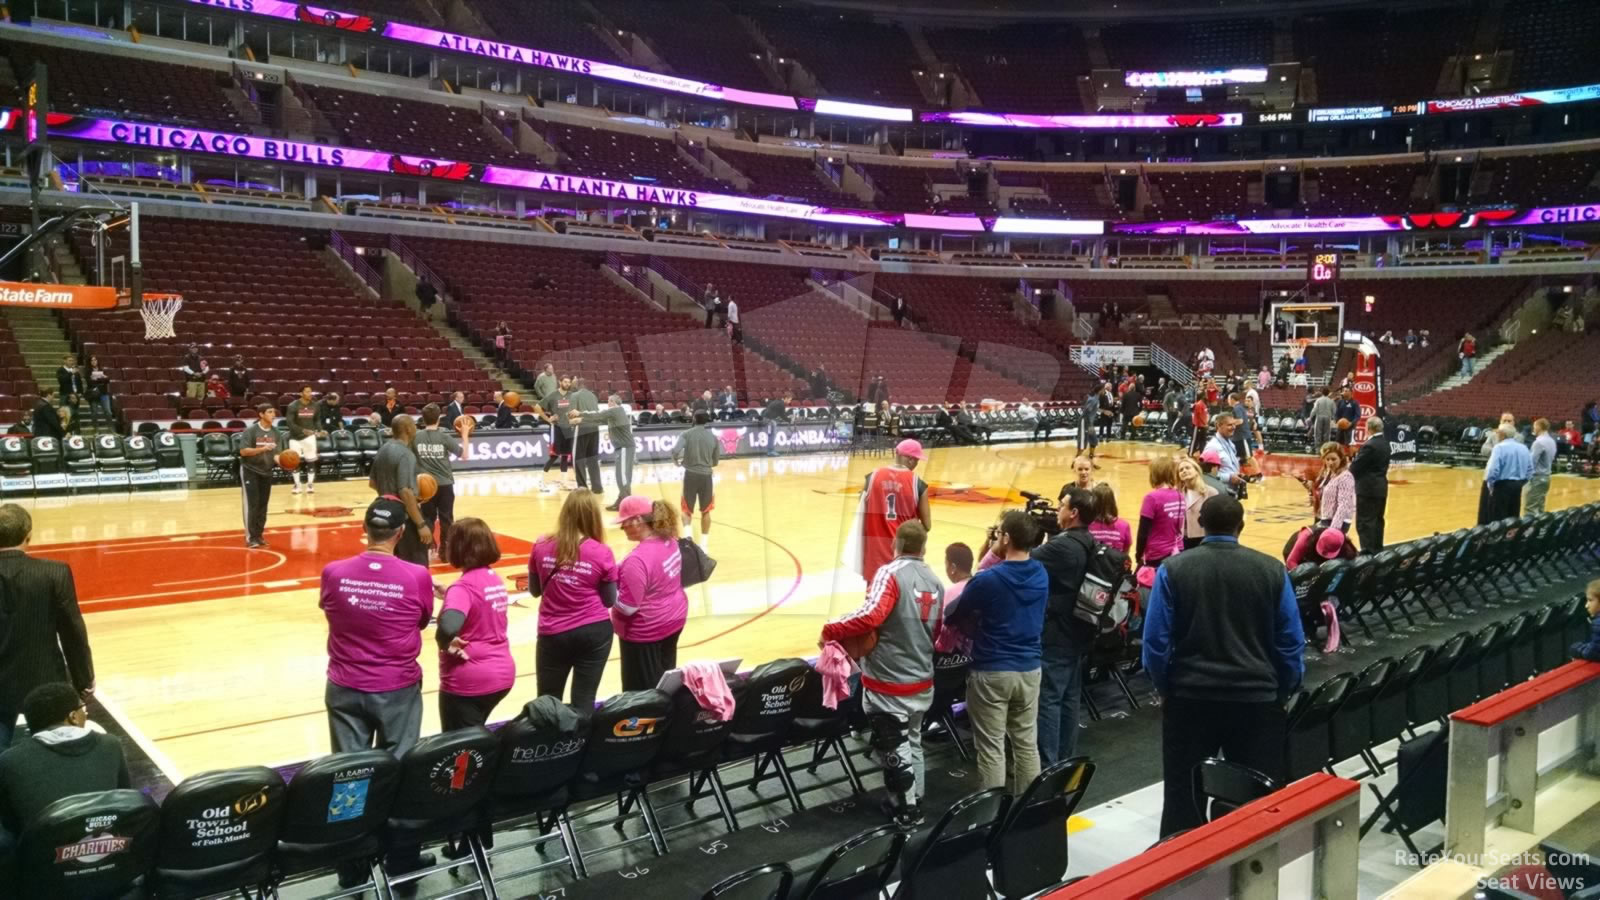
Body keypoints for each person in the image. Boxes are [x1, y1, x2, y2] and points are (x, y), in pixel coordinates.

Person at [1143, 495, 1305, 836]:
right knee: (1256, 799)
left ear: (1200, 524)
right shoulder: (1272, 570)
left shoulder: (1174, 569)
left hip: (1190, 700)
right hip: (1257, 702)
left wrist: (1164, 688)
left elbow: (1155, 643)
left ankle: (1179, 876)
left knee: (1181, 798)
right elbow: (1290, 642)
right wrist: (1283, 691)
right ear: (1241, 526)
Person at [821, 520, 943, 826]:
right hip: (922, 678)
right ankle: (917, 795)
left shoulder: (890, 574)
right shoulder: (936, 581)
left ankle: (907, 811)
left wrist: (832, 629)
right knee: (912, 740)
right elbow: (938, 632)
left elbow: (871, 615)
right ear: (924, 547)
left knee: (894, 746)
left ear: (896, 545)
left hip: (890, 682)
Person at [321, 497, 434, 757]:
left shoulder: (333, 572)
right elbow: (422, 622)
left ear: (364, 527)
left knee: (349, 773)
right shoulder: (417, 576)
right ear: (401, 532)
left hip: (344, 683)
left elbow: (330, 609)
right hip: (396, 685)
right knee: (398, 767)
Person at [945, 511, 1046, 794]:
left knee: (991, 748)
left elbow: (954, 614)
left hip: (992, 670)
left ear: (1006, 538)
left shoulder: (989, 580)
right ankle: (1028, 811)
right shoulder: (1041, 573)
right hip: (1029, 669)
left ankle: (991, 816)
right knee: (1026, 743)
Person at [0, 505, 93, 753]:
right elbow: (73, 632)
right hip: (44, 680)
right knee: (53, 753)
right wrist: (84, 679)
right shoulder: (54, 572)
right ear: (28, 535)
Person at [0, 683, 129, 845]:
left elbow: (10, 824)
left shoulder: (9, 760)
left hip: (43, 863)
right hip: (109, 856)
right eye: (83, 707)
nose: (86, 712)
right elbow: (126, 801)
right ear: (73, 717)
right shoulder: (111, 745)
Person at [529, 489, 618, 709]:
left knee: (548, 700)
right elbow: (609, 601)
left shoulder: (541, 546)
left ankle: (550, 743)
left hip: (553, 633)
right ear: (593, 516)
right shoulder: (602, 552)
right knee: (584, 699)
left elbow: (534, 590)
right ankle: (580, 743)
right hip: (593, 631)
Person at [1030, 487, 1096, 766]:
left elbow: (1024, 559)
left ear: (1074, 513)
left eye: (1062, 506)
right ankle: (1065, 759)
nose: (1058, 510)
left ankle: (1048, 765)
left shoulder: (1062, 546)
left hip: (1058, 633)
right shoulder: (1090, 541)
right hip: (1082, 628)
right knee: (1070, 698)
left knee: (1049, 699)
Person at [436, 517, 512, 730]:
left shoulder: (462, 588)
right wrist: (450, 595)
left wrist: (444, 643)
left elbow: (449, 626)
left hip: (470, 680)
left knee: (460, 750)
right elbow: (478, 606)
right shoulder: (494, 578)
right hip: (501, 672)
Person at [612, 497, 688, 691]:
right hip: (674, 619)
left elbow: (629, 607)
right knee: (665, 682)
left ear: (638, 520)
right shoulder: (669, 540)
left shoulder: (637, 560)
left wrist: (607, 596)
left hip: (646, 632)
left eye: (624, 523)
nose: (623, 528)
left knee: (639, 693)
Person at [853, 439, 933, 584]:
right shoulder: (918, 484)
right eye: (917, 460)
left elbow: (861, 509)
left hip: (875, 552)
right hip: (903, 554)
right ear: (910, 459)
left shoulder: (872, 477)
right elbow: (927, 525)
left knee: (875, 599)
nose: (917, 464)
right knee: (901, 599)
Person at [369, 414, 432, 567]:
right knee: (416, 565)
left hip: (386, 514)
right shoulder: (406, 454)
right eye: (414, 425)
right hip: (405, 517)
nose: (416, 428)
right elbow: (405, 491)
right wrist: (421, 524)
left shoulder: (383, 449)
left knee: (394, 564)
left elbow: (372, 483)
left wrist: (388, 495)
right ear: (408, 429)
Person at [416, 404, 467, 557]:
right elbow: (464, 455)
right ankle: (445, 553)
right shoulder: (444, 436)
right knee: (446, 519)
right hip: (445, 484)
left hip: (425, 486)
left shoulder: (415, 437)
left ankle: (427, 549)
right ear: (439, 418)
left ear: (423, 419)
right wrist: (464, 434)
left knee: (427, 518)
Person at [570, 393, 635, 510]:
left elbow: (597, 415)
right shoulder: (613, 415)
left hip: (625, 447)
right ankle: (622, 500)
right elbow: (598, 421)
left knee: (623, 477)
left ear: (613, 402)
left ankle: (627, 503)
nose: (607, 403)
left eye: (609, 401)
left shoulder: (616, 411)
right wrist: (580, 421)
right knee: (620, 476)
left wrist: (580, 414)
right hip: (622, 448)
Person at [238, 403, 285, 549]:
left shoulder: (276, 433)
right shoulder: (251, 431)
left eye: (274, 412)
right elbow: (243, 451)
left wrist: (285, 463)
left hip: (267, 471)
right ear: (261, 414)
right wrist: (262, 449)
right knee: (252, 505)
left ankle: (259, 535)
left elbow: (277, 454)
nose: (273, 415)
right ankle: (250, 537)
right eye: (270, 412)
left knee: (263, 506)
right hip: (250, 470)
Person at [673, 410, 722, 539]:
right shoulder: (713, 437)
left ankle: (689, 539)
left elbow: (675, 450)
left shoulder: (686, 434)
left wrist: (676, 461)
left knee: (686, 510)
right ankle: (704, 546)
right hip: (706, 477)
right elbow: (715, 461)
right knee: (706, 511)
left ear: (694, 418)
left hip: (690, 475)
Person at [1348, 416, 1391, 551]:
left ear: (1369, 428)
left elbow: (1355, 467)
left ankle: (1367, 554)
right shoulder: (1385, 443)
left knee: (1365, 522)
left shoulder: (1369, 445)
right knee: (1378, 521)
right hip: (1381, 487)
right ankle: (1378, 551)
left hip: (1368, 489)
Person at [1136, 457, 1186, 570]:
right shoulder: (1180, 496)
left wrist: (1138, 555)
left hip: (1156, 554)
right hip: (1177, 550)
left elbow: (1143, 532)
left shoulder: (1152, 498)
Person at [1481, 423, 1532, 524]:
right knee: (1513, 517)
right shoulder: (1524, 448)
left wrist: (1490, 486)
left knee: (1497, 519)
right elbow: (1530, 470)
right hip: (1517, 486)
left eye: (1498, 432)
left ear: (1502, 434)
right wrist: (1521, 483)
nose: (1497, 434)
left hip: (1501, 486)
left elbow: (1493, 470)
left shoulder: (1499, 448)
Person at [935, 542, 976, 655]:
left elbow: (942, 629)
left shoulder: (950, 592)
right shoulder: (979, 585)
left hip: (952, 655)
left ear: (952, 567)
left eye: (946, 564)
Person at [540, 376, 577, 492]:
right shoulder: (553, 395)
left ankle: (564, 482)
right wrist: (548, 418)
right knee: (554, 455)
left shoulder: (571, 395)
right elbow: (537, 407)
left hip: (568, 429)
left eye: (569, 382)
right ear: (559, 382)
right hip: (556, 429)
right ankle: (541, 481)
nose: (567, 384)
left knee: (565, 455)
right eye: (565, 381)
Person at [286, 386, 324, 495]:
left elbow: (317, 420)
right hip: (295, 438)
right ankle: (297, 484)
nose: (310, 393)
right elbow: (290, 423)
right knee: (294, 462)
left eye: (311, 391)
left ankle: (310, 484)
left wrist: (320, 430)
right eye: (307, 392)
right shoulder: (293, 406)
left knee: (311, 460)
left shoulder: (315, 405)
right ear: (300, 393)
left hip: (310, 437)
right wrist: (303, 430)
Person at [1312, 442, 1356, 533]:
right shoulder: (1329, 473)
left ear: (1341, 458)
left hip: (1337, 522)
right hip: (1325, 518)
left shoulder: (1345, 477)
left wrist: (1334, 529)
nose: (1330, 462)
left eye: (1333, 459)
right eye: (1327, 459)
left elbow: (1343, 505)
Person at [1177, 455, 1219, 550]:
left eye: (1188, 468)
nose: (1184, 471)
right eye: (1181, 470)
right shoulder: (1178, 494)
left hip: (1203, 540)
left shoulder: (1211, 492)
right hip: (1183, 541)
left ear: (1196, 471)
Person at [570, 377, 603, 493]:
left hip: (582, 427)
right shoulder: (593, 396)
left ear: (577, 384)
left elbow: (572, 414)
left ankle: (582, 488)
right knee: (593, 459)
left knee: (578, 458)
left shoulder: (574, 395)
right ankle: (597, 487)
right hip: (594, 429)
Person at [1204, 414, 1244, 494]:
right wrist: (1229, 477)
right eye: (1229, 425)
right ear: (1219, 426)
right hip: (1220, 492)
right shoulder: (1212, 447)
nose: (1233, 427)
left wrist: (1237, 475)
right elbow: (1207, 476)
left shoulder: (1230, 443)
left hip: (1232, 491)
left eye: (1234, 424)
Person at [1525, 418, 1557, 515]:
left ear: (1539, 427)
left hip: (1537, 478)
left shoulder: (1538, 442)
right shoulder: (1552, 441)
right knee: (1540, 507)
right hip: (1546, 477)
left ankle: (1530, 529)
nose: (1533, 428)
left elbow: (1531, 462)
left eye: (1534, 426)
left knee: (1530, 508)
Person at [1088, 482, 1132, 553]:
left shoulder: (1087, 526)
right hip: (1116, 563)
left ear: (1094, 503)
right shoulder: (1124, 525)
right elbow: (1126, 552)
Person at [1571, 579, 1600, 661]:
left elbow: (1592, 653)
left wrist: (1575, 649)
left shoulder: (1598, 625)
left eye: (1590, 600)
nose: (1586, 605)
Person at [84, 355, 113, 420]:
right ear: (90, 362)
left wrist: (96, 379)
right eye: (92, 360)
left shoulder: (102, 369)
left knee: (108, 412)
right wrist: (102, 378)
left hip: (103, 393)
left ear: (97, 361)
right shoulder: (88, 371)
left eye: (95, 360)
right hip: (93, 394)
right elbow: (90, 382)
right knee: (94, 412)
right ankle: (95, 428)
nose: (94, 361)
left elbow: (108, 380)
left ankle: (110, 427)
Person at [1188, 385, 1210, 455]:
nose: (1207, 395)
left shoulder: (1204, 404)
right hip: (1198, 426)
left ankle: (1202, 454)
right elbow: (1200, 416)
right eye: (1205, 394)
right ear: (1203, 396)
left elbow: (1205, 414)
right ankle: (1190, 454)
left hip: (1203, 425)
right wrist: (1205, 423)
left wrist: (1206, 423)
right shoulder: (1199, 404)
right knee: (1195, 440)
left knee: (1203, 441)